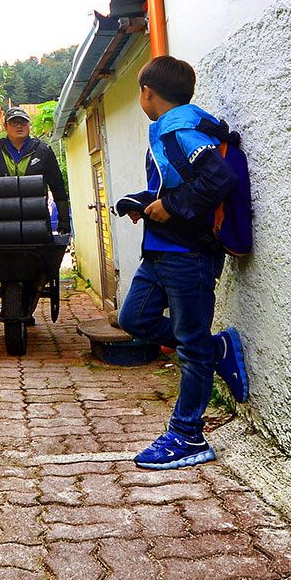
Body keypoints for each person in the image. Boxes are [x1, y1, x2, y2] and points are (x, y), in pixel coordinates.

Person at [114, 56, 249, 470]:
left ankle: (188, 435)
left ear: (147, 93)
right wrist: (144, 202)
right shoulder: (168, 129)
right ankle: (215, 348)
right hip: (160, 251)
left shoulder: (181, 131)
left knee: (190, 348)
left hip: (189, 256)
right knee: (134, 319)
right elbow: (178, 184)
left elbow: (218, 178)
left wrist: (170, 207)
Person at [0, 106, 71, 236]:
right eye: (14, 122)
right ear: (5, 126)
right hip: (2, 223)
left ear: (29, 125)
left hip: (38, 221)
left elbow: (58, 188)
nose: (19, 126)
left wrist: (64, 223)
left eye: (23, 122)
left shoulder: (43, 151)